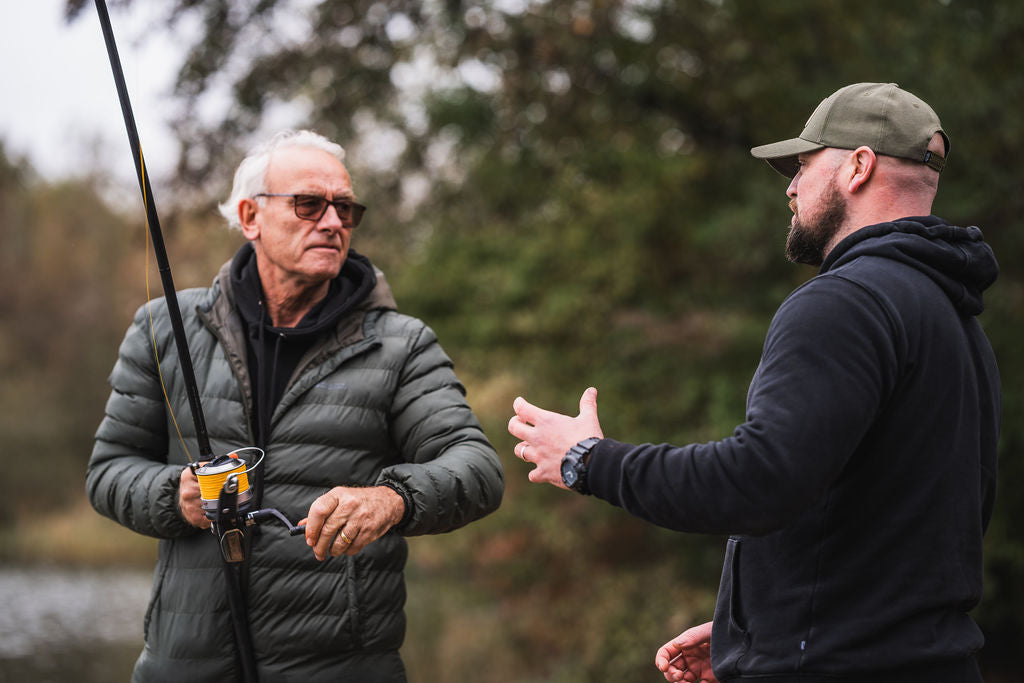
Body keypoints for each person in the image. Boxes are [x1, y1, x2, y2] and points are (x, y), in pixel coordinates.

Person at [507, 83, 1000, 682]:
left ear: (858, 167)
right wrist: (762, 627)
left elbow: (758, 481)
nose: (790, 189)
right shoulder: (957, 321)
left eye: (801, 166)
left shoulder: (842, 304)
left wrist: (589, 460)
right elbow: (905, 529)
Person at [87, 129, 504, 682]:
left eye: (345, 209)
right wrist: (175, 496)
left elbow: (477, 469)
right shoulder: (162, 328)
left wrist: (391, 499)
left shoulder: (403, 344)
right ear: (251, 216)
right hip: (184, 666)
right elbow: (109, 471)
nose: (333, 222)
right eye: (309, 204)